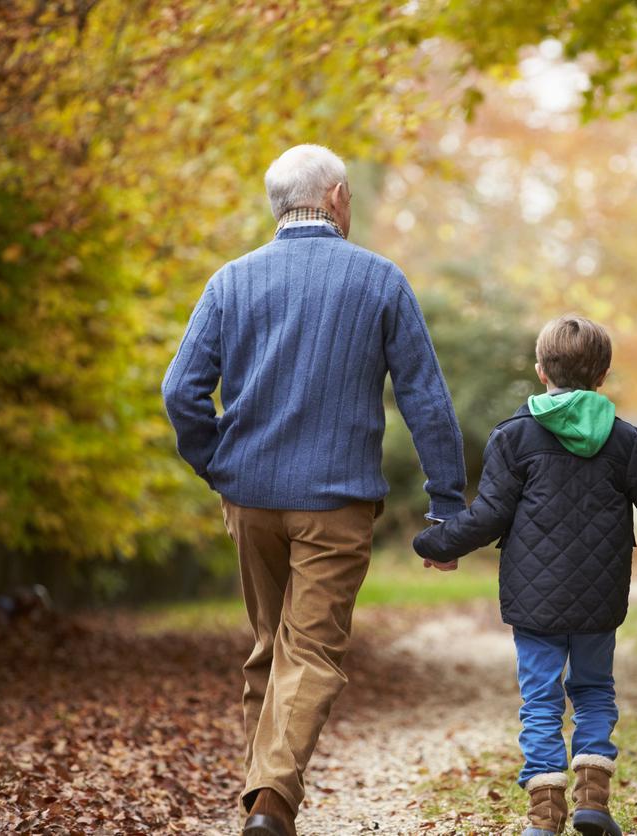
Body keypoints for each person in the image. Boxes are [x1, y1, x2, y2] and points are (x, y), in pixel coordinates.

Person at [162, 144, 467, 836]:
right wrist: (446, 506)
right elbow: (426, 400)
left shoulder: (230, 282)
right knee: (312, 654)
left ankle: (263, 810)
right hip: (335, 502)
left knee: (271, 648)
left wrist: (220, 465)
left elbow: (180, 391)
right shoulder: (380, 281)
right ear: (333, 198)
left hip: (251, 499)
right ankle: (269, 802)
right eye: (351, 197)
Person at [413, 315, 637, 836]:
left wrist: (436, 543)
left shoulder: (514, 438)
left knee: (540, 698)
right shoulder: (623, 440)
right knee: (592, 690)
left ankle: (544, 814)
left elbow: (489, 514)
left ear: (541, 371)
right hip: (599, 597)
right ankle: (592, 798)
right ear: (603, 375)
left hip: (533, 597)